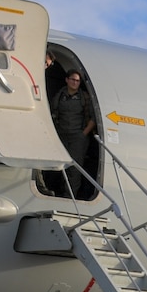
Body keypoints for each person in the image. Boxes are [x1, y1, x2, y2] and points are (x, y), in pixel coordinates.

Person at [51, 69, 99, 198]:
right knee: (59, 167)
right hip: (61, 135)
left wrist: (83, 134)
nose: (75, 83)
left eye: (78, 81)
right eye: (73, 79)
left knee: (74, 169)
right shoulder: (60, 95)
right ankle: (59, 192)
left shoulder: (84, 98)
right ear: (67, 80)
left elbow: (93, 119)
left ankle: (69, 196)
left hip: (77, 137)